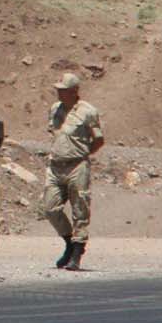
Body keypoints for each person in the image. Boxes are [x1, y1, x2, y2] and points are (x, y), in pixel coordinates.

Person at [42, 73, 104, 271]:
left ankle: (77, 252)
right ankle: (69, 242)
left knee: (80, 209)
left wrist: (84, 154)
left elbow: (99, 139)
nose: (58, 93)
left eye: (63, 90)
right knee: (50, 209)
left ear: (74, 91)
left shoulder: (88, 112)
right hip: (55, 165)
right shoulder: (54, 109)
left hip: (77, 166)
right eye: (58, 90)